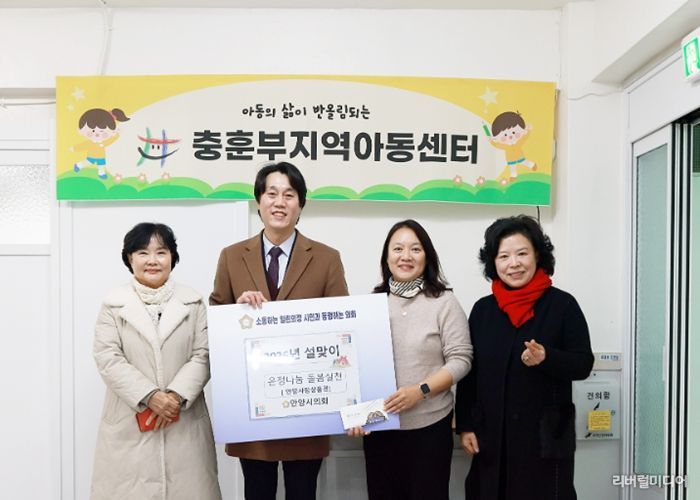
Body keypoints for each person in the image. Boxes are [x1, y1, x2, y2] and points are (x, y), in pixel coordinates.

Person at [209, 161, 348, 500]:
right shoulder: (232, 256)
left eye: (289, 195)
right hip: (254, 407)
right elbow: (215, 322)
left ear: (301, 204)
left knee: (303, 492)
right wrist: (237, 311)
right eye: (272, 194)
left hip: (307, 403)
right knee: (257, 492)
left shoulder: (327, 258)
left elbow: (342, 326)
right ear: (258, 201)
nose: (279, 202)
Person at [455, 215, 594, 500]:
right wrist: (466, 425)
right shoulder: (483, 311)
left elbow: (583, 364)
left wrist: (547, 358)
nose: (514, 263)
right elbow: (470, 373)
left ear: (537, 256)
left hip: (543, 440)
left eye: (522, 254)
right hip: (491, 437)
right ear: (493, 262)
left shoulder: (563, 305)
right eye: (504, 256)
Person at [91, 222, 221, 500]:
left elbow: (204, 354)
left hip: (184, 420)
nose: (152, 260)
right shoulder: (113, 304)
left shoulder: (193, 302)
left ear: (172, 257)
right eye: (142, 253)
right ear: (130, 258)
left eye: (161, 252)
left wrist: (174, 396)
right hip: (129, 423)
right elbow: (108, 357)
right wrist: (150, 396)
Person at [350, 219, 473, 500]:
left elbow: (461, 358)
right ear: (386, 257)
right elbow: (353, 365)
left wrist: (420, 391)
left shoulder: (444, 302)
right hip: (380, 427)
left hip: (430, 426)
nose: (406, 256)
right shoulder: (370, 304)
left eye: (415, 249)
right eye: (398, 249)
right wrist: (354, 414)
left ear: (427, 256)